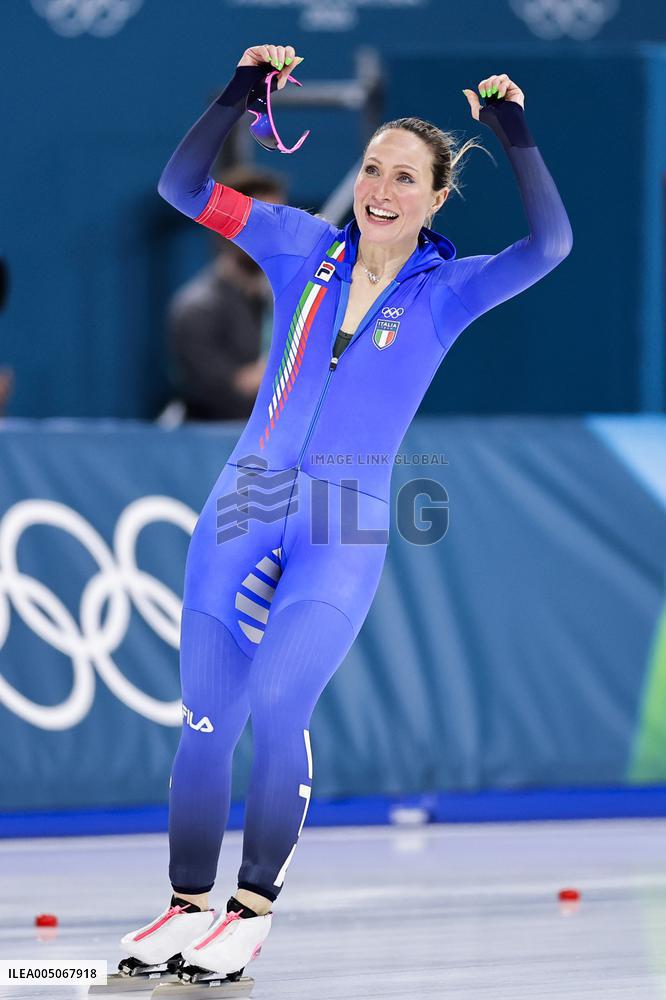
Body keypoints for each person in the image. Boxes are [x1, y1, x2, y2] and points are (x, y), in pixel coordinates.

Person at [119, 43, 572, 988]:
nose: (380, 187)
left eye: (406, 177)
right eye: (372, 167)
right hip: (248, 499)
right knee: (206, 720)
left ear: (436, 199)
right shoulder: (295, 243)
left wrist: (515, 130)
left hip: (342, 518)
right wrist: (245, 94)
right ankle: (183, 906)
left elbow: (552, 248)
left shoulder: (451, 292)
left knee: (281, 706)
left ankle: (246, 915)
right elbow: (180, 185)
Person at [167, 166, 287, 422]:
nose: (274, 233)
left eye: (279, 220)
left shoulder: (287, 297)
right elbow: (229, 389)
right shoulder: (197, 308)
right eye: (261, 222)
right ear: (225, 227)